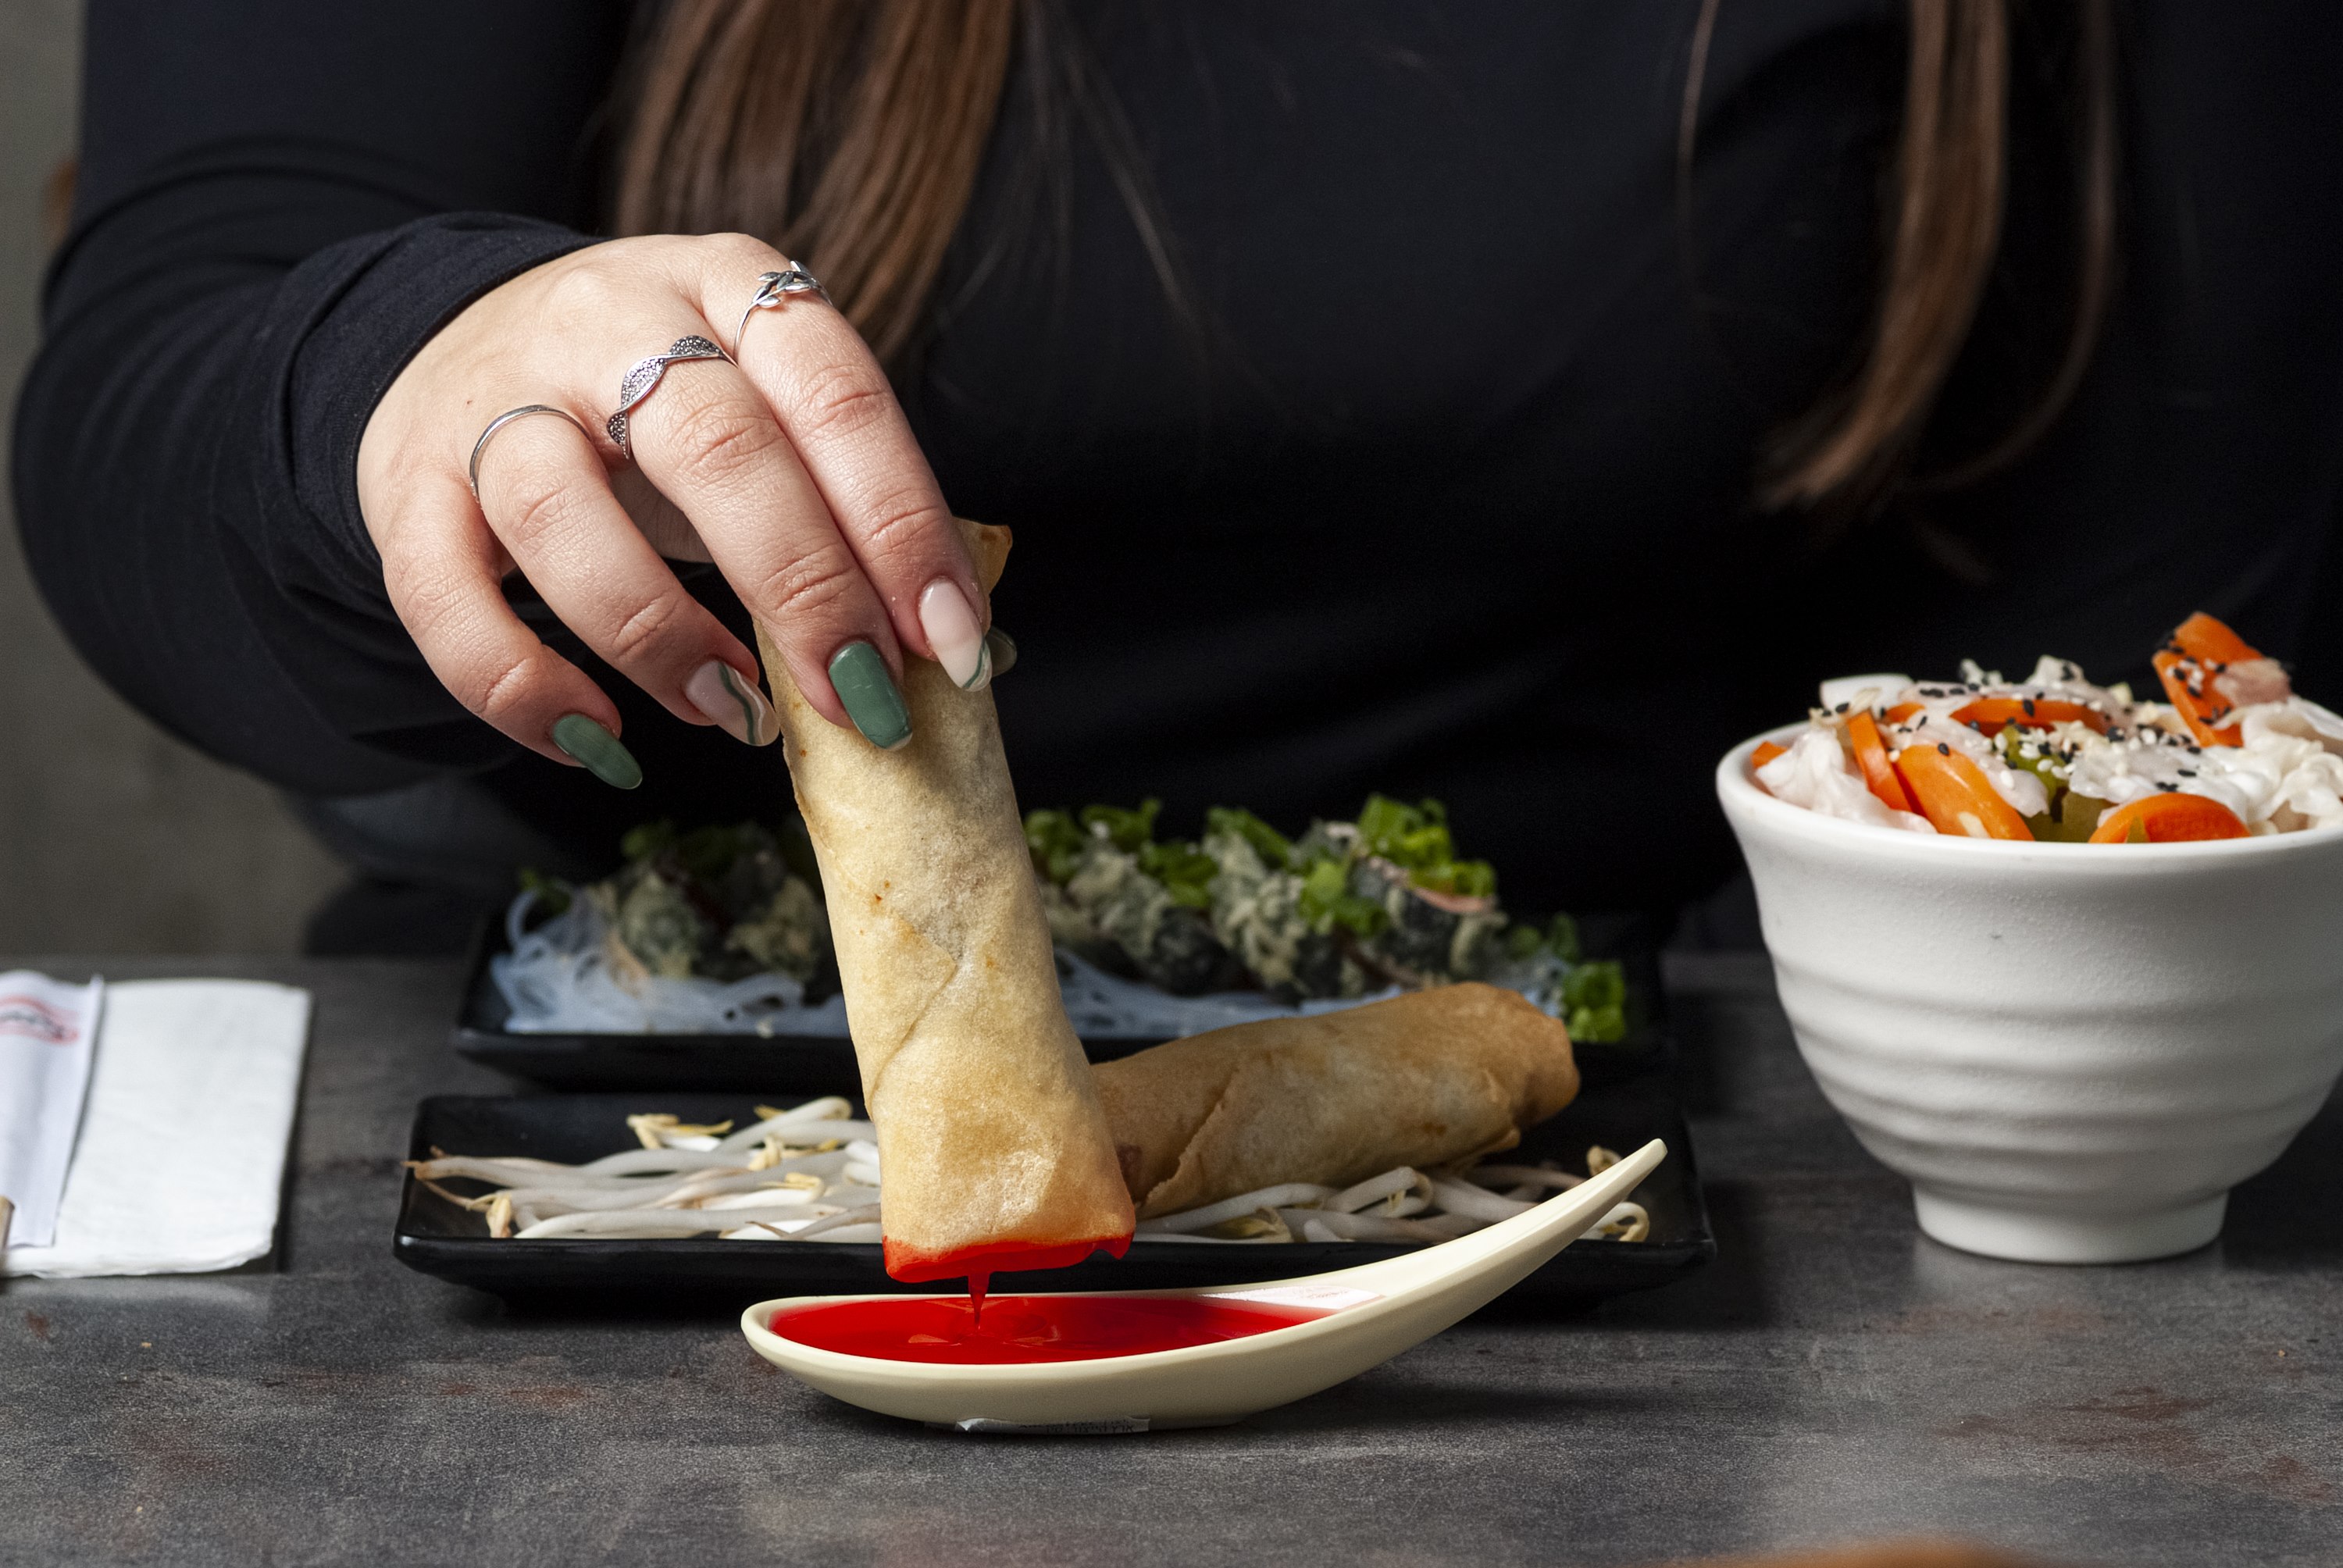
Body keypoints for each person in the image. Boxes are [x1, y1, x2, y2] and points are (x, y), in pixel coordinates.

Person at [16, 2, 2343, 951]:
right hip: (625, 1120)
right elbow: (156, 390)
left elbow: (2168, 618)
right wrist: (397, 381)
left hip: (1686, 1136)